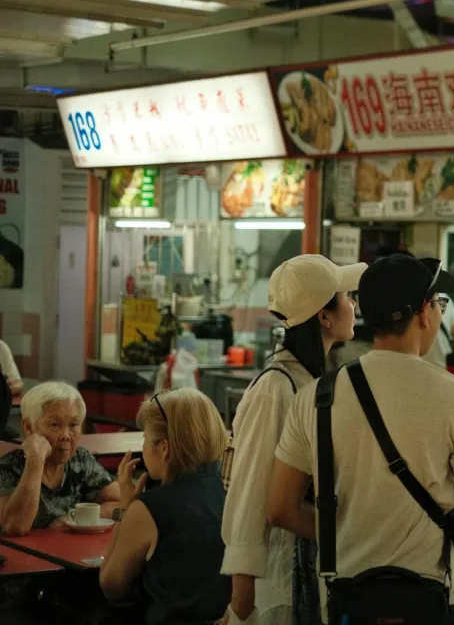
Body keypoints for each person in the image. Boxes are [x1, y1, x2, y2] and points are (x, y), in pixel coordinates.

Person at [267, 254, 454, 620]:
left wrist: (345, 533)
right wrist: (450, 533)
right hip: (427, 593)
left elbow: (280, 508)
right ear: (424, 313)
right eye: (440, 303)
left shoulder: (315, 396)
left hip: (344, 596)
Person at [221, 255, 364, 625]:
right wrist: (242, 600)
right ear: (324, 316)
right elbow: (249, 492)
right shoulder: (275, 388)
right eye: (347, 297)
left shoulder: (311, 380)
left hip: (309, 573)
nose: (354, 305)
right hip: (279, 584)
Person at [99, 388, 232, 625]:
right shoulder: (232, 490)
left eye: (145, 438)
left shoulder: (149, 509)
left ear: (164, 447)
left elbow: (111, 586)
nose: (143, 446)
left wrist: (126, 508)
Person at [0, 381, 118, 535]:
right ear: (29, 427)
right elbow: (15, 527)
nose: (66, 436)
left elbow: (122, 504)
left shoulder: (80, 460)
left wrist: (70, 518)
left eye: (73, 425)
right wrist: (35, 461)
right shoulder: (8, 467)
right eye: (55, 425)